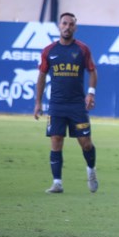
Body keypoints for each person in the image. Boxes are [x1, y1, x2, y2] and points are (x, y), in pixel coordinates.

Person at [34, 12, 99, 193]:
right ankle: (57, 183)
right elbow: (41, 76)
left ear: (75, 27)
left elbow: (92, 71)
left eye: (71, 24)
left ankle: (91, 170)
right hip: (56, 105)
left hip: (77, 105)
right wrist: (38, 102)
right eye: (64, 24)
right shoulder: (49, 51)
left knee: (85, 142)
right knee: (56, 140)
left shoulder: (82, 50)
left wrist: (91, 94)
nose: (67, 27)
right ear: (59, 26)